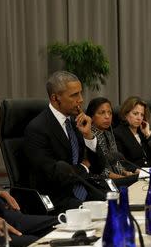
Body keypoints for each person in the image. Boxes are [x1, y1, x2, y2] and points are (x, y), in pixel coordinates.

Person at [24, 71, 105, 212]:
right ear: (55, 98)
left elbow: (98, 167)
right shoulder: (37, 128)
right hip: (58, 198)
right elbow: (54, 175)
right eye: (74, 95)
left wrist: (88, 136)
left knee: (120, 202)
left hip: (85, 190)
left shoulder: (76, 121)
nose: (80, 100)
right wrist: (84, 167)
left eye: (80, 93)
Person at [85, 97, 140, 185]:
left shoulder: (109, 134)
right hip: (101, 182)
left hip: (118, 179)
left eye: (109, 113)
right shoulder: (89, 136)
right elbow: (99, 170)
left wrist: (125, 173)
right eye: (102, 113)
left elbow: (115, 161)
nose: (107, 117)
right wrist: (123, 178)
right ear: (91, 116)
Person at [113, 96, 151, 168]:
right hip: (136, 175)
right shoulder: (118, 133)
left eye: (142, 115)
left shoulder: (143, 132)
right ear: (126, 114)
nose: (139, 118)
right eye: (135, 114)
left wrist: (148, 135)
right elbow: (122, 163)